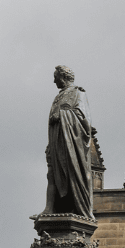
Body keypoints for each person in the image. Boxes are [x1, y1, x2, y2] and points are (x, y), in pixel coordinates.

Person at [40, 65, 95, 220]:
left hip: (71, 145)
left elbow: (84, 120)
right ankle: (49, 208)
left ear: (62, 77)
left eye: (55, 77)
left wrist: (61, 115)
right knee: (51, 174)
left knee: (72, 174)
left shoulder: (78, 93)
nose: (53, 81)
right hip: (56, 142)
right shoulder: (59, 96)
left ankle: (75, 207)